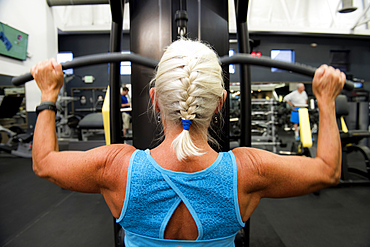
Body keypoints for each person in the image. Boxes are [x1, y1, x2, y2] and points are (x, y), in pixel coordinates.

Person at [30, 39, 345, 247]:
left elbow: (44, 162)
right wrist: (326, 101)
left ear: (154, 100)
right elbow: (328, 171)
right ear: (220, 103)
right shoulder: (248, 171)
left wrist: (47, 95)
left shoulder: (115, 167)